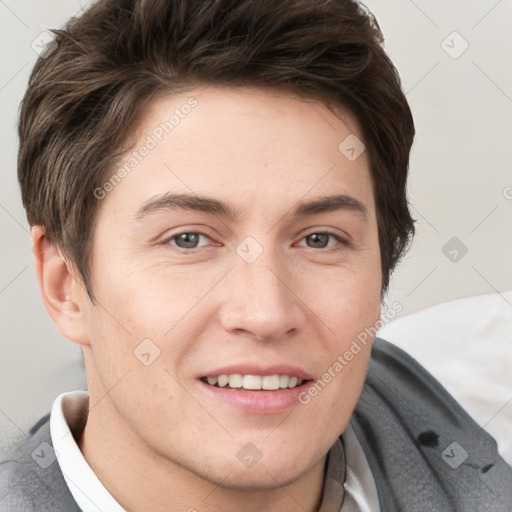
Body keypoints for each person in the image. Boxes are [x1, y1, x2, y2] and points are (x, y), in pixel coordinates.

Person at [1, 0, 511, 510]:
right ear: (64, 284)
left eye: (319, 239)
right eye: (189, 239)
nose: (266, 313)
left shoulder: (483, 404)